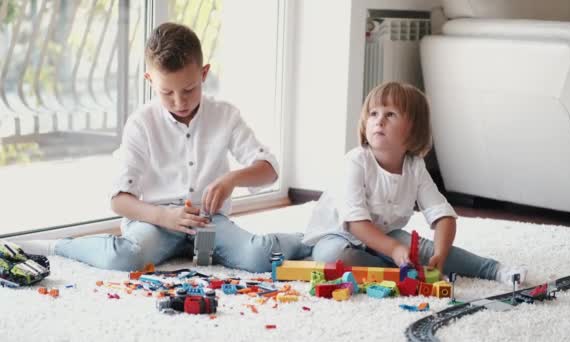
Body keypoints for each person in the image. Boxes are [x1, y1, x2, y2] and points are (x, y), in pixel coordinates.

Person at [18, 22, 311, 272]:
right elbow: (118, 200)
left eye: (189, 89)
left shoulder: (225, 115)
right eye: (166, 92)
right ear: (149, 80)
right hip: (155, 222)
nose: (180, 102)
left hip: (209, 223)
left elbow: (269, 171)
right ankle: (59, 245)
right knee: (125, 257)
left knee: (258, 257)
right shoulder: (141, 123)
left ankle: (314, 239)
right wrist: (165, 217)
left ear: (204, 74)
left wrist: (231, 179)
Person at [302, 81, 527, 285]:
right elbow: (355, 224)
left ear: (414, 129)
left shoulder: (415, 167)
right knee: (332, 258)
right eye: (373, 113)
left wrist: (439, 253)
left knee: (425, 251)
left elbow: (443, 216)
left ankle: (495, 270)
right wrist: (395, 250)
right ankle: (402, 272)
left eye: (390, 114)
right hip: (337, 236)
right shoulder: (355, 161)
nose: (379, 120)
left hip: (386, 235)